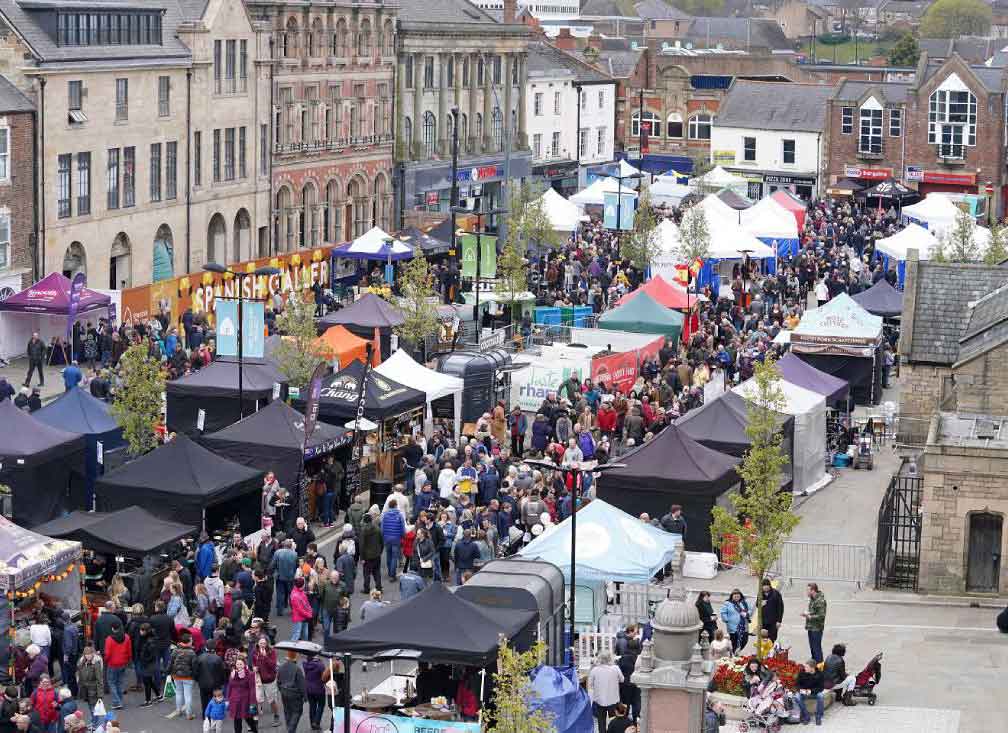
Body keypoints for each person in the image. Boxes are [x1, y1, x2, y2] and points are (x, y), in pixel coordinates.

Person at [588, 651, 623, 733]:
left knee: (601, 721)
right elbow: (622, 679)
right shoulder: (615, 668)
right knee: (613, 720)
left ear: (599, 659)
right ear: (610, 658)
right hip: (613, 699)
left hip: (600, 699)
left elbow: (590, 684)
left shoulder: (595, 670)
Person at [166, 631, 197, 720]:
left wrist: (167, 672)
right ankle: (189, 714)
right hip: (188, 676)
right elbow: (194, 666)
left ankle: (178, 710)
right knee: (188, 695)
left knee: (178, 693)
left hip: (176, 675)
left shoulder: (175, 650)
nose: (192, 641)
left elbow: (170, 662)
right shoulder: (192, 652)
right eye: (191, 640)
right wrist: (195, 676)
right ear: (188, 641)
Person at [252, 636, 281, 727]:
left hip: (270, 680)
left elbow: (273, 665)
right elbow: (252, 663)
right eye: (261, 643)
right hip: (259, 680)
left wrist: (266, 657)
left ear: (267, 643)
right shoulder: (254, 651)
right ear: (258, 643)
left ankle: (276, 716)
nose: (262, 645)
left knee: (271, 701)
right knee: (256, 701)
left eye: (264, 643)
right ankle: (255, 721)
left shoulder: (271, 652)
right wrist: (254, 668)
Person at [193, 641, 226, 722]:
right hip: (215, 684)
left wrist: (198, 680)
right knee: (215, 700)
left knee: (204, 700)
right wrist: (222, 682)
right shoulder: (218, 658)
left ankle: (205, 716)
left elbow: (195, 671)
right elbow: (222, 672)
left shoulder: (200, 657)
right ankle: (214, 716)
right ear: (214, 648)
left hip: (203, 683)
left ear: (206, 647)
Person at [102, 625, 131, 711]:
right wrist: (128, 660)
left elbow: (107, 653)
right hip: (123, 663)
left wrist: (105, 660)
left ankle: (117, 702)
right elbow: (129, 651)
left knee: (112, 682)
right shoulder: (127, 637)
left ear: (112, 629)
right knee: (119, 682)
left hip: (112, 663)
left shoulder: (109, 639)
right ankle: (120, 700)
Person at [227, 657, 259, 732]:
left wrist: (253, 704)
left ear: (244, 664)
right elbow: (230, 687)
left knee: (249, 719)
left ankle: (255, 731)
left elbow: (252, 690)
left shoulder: (250, 674)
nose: (239, 666)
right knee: (237, 721)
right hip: (235, 701)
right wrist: (228, 699)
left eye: (241, 664)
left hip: (245, 701)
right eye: (237, 664)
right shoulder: (232, 674)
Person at [278, 650, 305, 733]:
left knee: (287, 711)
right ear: (295, 657)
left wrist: (281, 689)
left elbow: (278, 681)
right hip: (295, 694)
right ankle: (291, 730)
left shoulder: (281, 667)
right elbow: (302, 685)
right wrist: (305, 696)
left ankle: (289, 728)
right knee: (297, 712)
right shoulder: (297, 669)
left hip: (284, 692)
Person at [801, 583, 827, 663]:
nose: (806, 592)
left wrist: (810, 617)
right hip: (811, 627)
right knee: (813, 648)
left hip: (817, 628)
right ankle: (814, 665)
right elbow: (814, 611)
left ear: (813, 590)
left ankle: (820, 666)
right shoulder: (813, 599)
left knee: (816, 649)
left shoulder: (820, 601)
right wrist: (807, 613)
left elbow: (821, 616)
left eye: (808, 590)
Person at [381, 500, 406, 580]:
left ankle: (389, 571)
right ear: (395, 505)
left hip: (387, 538)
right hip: (396, 539)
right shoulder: (399, 515)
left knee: (388, 555)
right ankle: (392, 574)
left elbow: (382, 528)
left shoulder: (385, 515)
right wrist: (402, 536)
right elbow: (402, 529)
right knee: (394, 557)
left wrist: (383, 537)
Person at [795, 659, 826, 725]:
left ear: (812, 668)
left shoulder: (820, 674)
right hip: (804, 692)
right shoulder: (802, 673)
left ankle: (818, 716)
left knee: (821, 696)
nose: (805, 668)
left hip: (814, 693)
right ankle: (806, 715)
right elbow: (797, 684)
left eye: (807, 667)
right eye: (805, 667)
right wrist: (802, 690)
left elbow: (821, 687)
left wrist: (811, 691)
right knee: (797, 696)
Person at [136, 623, 160, 708]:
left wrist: (144, 660)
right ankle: (158, 696)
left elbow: (151, 654)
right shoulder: (145, 638)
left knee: (147, 682)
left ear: (147, 631)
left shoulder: (150, 641)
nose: (140, 631)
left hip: (148, 663)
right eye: (140, 629)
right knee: (149, 681)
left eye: (142, 630)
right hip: (147, 663)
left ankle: (148, 701)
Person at [74, 646, 102, 716]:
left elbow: (99, 680)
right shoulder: (81, 664)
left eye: (89, 654)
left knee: (94, 709)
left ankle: (95, 724)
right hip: (85, 690)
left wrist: (100, 695)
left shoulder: (96, 664)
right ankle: (93, 723)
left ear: (92, 654)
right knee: (90, 707)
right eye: (86, 654)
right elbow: (80, 677)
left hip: (93, 690)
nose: (88, 656)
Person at [720, 589, 750, 654]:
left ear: (740, 596)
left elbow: (750, 610)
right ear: (732, 596)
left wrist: (746, 614)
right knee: (733, 642)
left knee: (744, 640)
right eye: (735, 596)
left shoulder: (744, 603)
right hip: (733, 627)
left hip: (744, 626)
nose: (736, 598)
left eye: (738, 596)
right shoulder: (727, 603)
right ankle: (733, 654)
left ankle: (737, 652)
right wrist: (726, 619)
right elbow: (723, 613)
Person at [303, 653, 325, 732]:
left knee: (312, 706)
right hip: (319, 689)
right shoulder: (320, 665)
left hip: (308, 689)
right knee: (321, 705)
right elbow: (324, 676)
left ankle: (312, 723)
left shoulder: (305, 664)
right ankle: (316, 722)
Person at [288, 578, 312, 642]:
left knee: (304, 635)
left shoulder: (300, 592)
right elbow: (299, 609)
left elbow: (307, 603)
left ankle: (303, 650)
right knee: (296, 635)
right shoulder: (295, 595)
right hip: (299, 618)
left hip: (304, 616)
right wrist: (309, 614)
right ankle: (292, 651)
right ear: (302, 585)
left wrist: (309, 611)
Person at [760, 579, 784, 643]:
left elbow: (780, 608)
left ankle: (771, 651)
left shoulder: (776, 594)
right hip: (763, 621)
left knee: (772, 638)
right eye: (764, 586)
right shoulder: (760, 593)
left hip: (773, 621)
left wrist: (779, 621)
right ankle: (764, 652)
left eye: (767, 585)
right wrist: (760, 604)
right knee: (763, 639)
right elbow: (757, 604)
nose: (765, 587)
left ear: (769, 586)